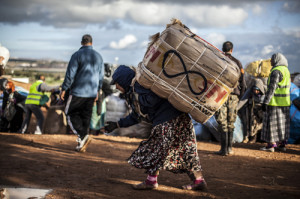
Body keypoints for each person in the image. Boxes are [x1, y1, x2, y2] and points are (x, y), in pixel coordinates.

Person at [104, 65, 207, 191]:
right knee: (185, 150)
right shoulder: (134, 92)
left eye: (117, 84)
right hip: (180, 119)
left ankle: (151, 181)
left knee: (154, 148)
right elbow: (137, 116)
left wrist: (143, 103)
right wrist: (117, 124)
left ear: (124, 80)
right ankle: (198, 180)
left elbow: (153, 100)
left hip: (167, 121)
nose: (116, 88)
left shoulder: (140, 86)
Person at [60, 34, 104, 152]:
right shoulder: (98, 56)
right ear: (92, 43)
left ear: (81, 42)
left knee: (69, 113)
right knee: (86, 117)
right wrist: (98, 91)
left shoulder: (77, 55)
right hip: (91, 93)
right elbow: (101, 77)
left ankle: (83, 136)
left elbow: (70, 74)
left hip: (78, 92)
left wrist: (64, 89)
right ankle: (81, 143)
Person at [215, 41, 246, 156]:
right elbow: (243, 81)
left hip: (221, 95)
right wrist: (240, 95)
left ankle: (223, 150)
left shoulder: (219, 60)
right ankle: (229, 149)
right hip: (233, 95)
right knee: (231, 121)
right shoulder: (238, 62)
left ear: (222, 49)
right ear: (232, 50)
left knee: (222, 121)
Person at [260, 53, 291, 152]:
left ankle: (271, 145)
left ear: (277, 60)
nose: (270, 61)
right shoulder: (286, 70)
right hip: (285, 102)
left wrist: (265, 102)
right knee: (282, 125)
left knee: (272, 124)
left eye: (272, 59)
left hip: (274, 102)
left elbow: (272, 89)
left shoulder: (276, 71)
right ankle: (282, 145)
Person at [238, 78, 266, 143]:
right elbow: (243, 100)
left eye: (257, 90)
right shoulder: (250, 91)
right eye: (254, 90)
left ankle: (264, 139)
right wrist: (236, 108)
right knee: (254, 124)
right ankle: (253, 138)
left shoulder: (266, 90)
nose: (255, 92)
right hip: (255, 109)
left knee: (264, 124)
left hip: (264, 109)